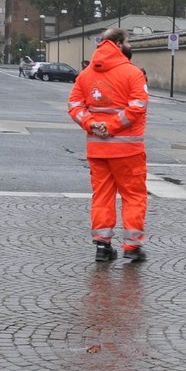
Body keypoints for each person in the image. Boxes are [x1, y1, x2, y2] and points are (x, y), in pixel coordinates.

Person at [67, 28, 150, 263]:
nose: (130, 45)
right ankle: (132, 247)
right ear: (117, 44)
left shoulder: (85, 75)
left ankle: (103, 247)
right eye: (128, 42)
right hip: (127, 150)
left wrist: (93, 125)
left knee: (102, 196)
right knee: (133, 196)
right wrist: (111, 126)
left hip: (97, 149)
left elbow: (74, 106)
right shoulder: (133, 74)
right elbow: (137, 107)